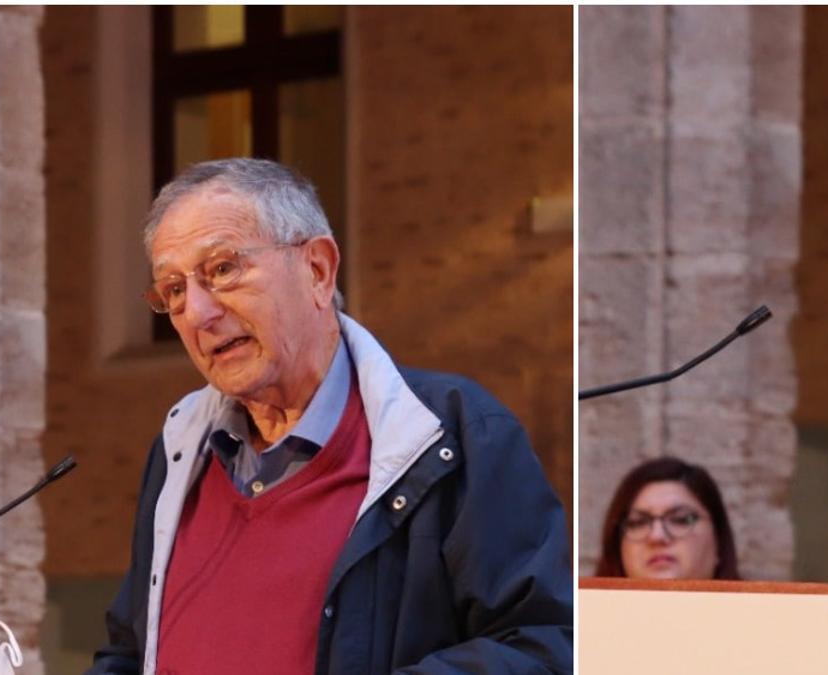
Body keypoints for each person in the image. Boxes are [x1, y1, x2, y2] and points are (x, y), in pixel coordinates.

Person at [88, 158, 573, 674]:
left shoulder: (457, 434)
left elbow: (541, 645)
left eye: (222, 269)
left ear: (317, 269)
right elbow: (129, 650)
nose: (197, 314)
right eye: (175, 290)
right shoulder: (179, 447)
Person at [596, 457, 741, 580]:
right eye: (638, 523)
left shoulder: (757, 612)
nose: (657, 536)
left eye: (681, 520)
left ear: (719, 541)